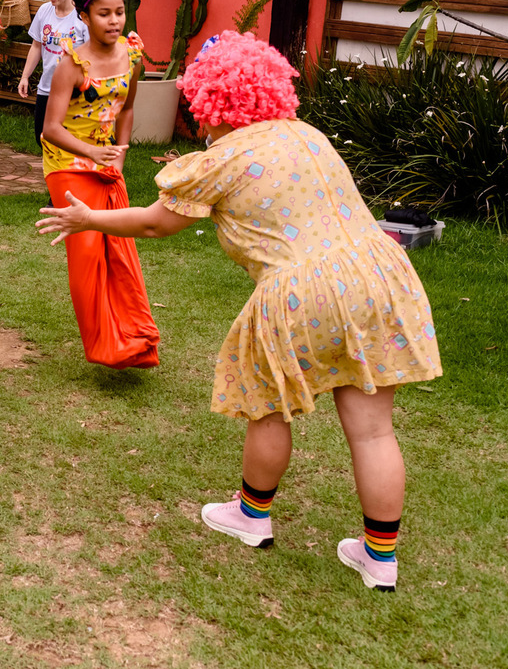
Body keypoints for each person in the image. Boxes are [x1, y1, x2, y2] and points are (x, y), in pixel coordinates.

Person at [36, 31, 444, 593]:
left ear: (211, 100)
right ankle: (380, 558)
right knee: (374, 431)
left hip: (301, 289)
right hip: (378, 275)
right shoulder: (308, 134)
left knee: (268, 408)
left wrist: (89, 219)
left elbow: (155, 222)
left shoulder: (222, 159)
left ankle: (252, 516)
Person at [40, 0, 159, 371]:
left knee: (119, 249)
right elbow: (50, 128)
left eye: (120, 13)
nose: (114, 21)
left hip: (107, 161)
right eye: (104, 14)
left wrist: (119, 156)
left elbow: (126, 110)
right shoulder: (71, 65)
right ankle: (104, 346)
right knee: (88, 251)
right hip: (66, 162)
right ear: (86, 17)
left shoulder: (132, 55)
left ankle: (136, 338)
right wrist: (92, 151)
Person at [18, 0, 87, 149]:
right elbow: (36, 46)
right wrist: (25, 76)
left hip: (74, 93)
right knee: (42, 139)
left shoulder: (82, 17)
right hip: (47, 88)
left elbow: (94, 57)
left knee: (68, 145)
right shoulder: (44, 11)